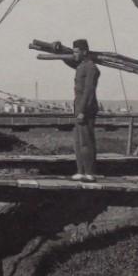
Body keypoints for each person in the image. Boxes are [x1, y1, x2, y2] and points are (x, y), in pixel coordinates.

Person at [63, 38, 100, 181]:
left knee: (86, 141)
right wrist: (59, 52)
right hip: (78, 108)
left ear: (84, 52)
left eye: (77, 52)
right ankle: (80, 170)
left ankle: (90, 172)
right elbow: (69, 61)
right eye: (73, 52)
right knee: (78, 141)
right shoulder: (81, 66)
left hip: (86, 109)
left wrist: (83, 111)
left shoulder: (91, 68)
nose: (74, 54)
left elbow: (89, 91)